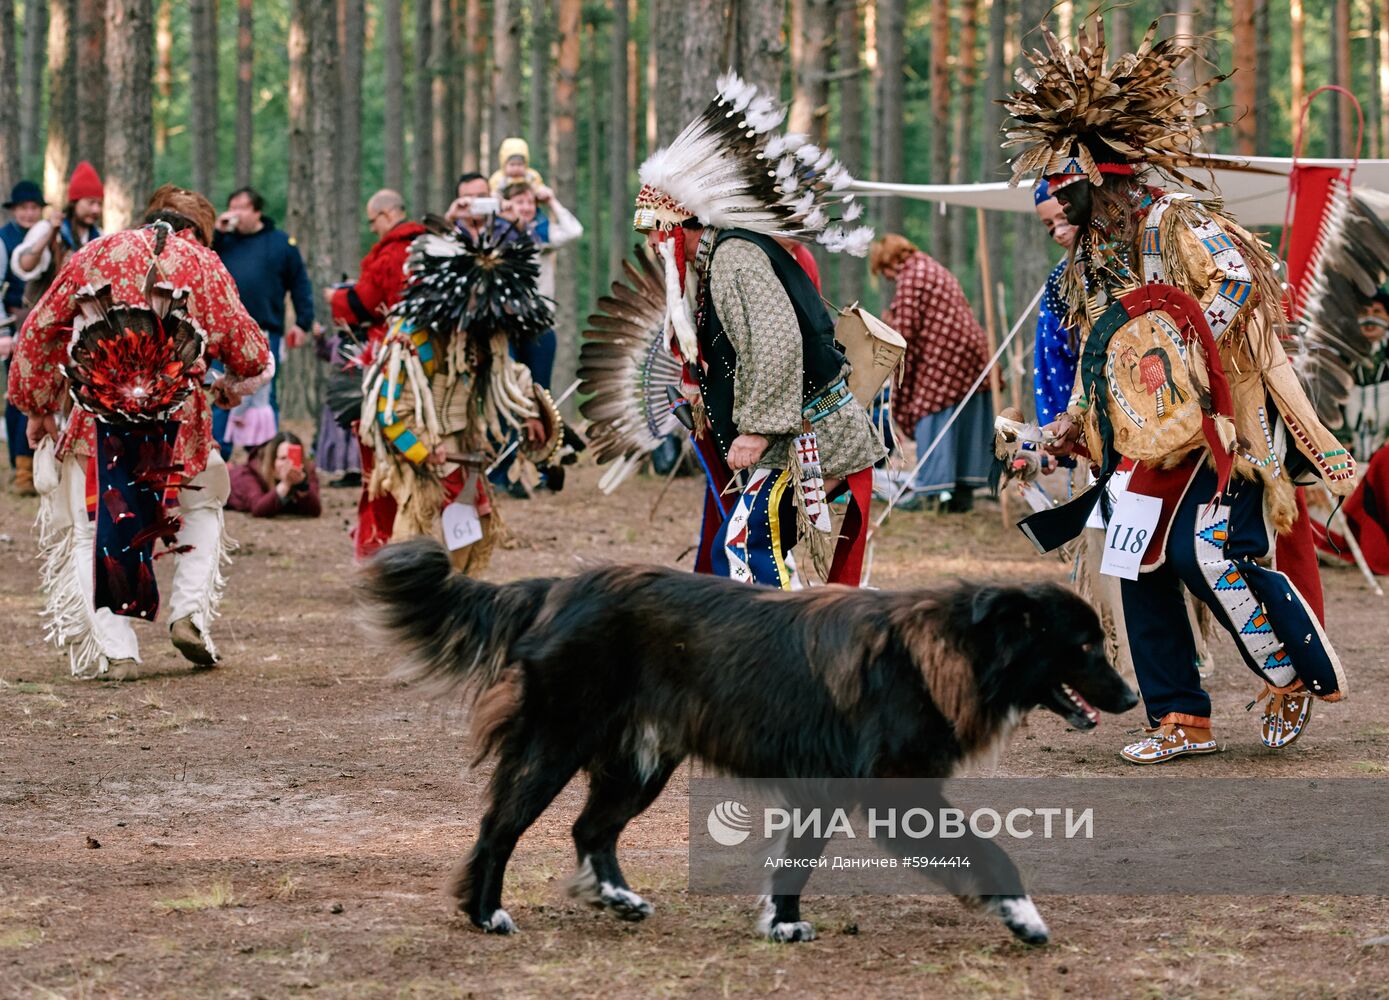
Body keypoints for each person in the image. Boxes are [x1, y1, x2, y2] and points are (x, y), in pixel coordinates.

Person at [1007, 20, 1353, 762]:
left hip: (1218, 422)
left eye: (1059, 218)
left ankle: (1286, 670)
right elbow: (1097, 355)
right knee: (1137, 561)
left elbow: (1236, 284)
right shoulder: (1089, 267)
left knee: (1206, 551)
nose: (1056, 234)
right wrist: (1070, 421)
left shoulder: (1177, 222)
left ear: (1098, 189)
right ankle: (1179, 719)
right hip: (1139, 436)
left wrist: (1188, 361)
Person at [8, 184, 272, 680]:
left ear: (152, 217)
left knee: (96, 521)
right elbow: (253, 354)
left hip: (100, 414)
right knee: (200, 505)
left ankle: (116, 650)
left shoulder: (99, 250)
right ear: (200, 232)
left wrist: (36, 404)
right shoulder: (205, 265)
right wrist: (232, 385)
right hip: (179, 417)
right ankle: (189, 614)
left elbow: (39, 328)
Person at [633, 72, 881, 588]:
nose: (657, 246)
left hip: (811, 434)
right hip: (802, 432)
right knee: (753, 541)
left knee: (750, 541)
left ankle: (778, 653)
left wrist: (755, 429)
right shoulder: (727, 256)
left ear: (682, 227)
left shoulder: (734, 259)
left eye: (659, 233)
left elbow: (777, 342)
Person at [358, 216, 563, 576]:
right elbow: (388, 413)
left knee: (475, 522)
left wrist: (529, 411)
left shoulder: (484, 335)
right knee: (415, 528)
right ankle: (407, 600)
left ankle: (460, 595)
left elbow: (507, 374)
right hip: (418, 440)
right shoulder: (413, 338)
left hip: (458, 441)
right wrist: (422, 450)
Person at [326, 189, 426, 558]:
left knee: (380, 452)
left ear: (386, 214)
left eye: (373, 221)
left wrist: (335, 299)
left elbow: (364, 302)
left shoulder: (391, 252)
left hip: (390, 363)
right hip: (425, 366)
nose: (373, 229)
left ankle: (378, 542)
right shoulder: (426, 248)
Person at [871, 233, 992, 513]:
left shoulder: (913, 273)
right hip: (969, 348)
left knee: (931, 412)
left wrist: (887, 343)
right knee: (963, 419)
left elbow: (906, 329)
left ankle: (930, 488)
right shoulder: (930, 266)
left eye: (886, 272)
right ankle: (962, 490)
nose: (889, 278)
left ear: (891, 260)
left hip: (945, 354)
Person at [211, 186, 315, 446]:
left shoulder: (280, 243)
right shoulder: (221, 243)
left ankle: (263, 457)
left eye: (242, 207)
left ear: (256, 211)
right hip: (222, 331)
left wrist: (303, 322)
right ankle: (215, 454)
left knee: (264, 395)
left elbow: (300, 283)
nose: (235, 213)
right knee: (217, 389)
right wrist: (216, 232)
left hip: (264, 332)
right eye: (232, 206)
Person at [1, 180, 45, 495]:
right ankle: (21, 469)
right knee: (16, 396)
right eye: (24, 208)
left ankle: (39, 463)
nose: (29, 213)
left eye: (33, 208)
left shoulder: (49, 236)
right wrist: (3, 332)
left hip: (43, 325)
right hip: (13, 323)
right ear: (15, 210)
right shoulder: (3, 240)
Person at [10, 162, 103, 308]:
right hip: (41, 316)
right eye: (91, 203)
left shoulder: (99, 237)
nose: (96, 209)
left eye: (99, 204)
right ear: (75, 202)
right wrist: (51, 232)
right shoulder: (46, 228)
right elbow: (25, 265)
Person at [228, 431, 322, 518]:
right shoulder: (251, 473)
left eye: (292, 458)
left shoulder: (306, 470)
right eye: (283, 458)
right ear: (272, 460)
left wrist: (302, 485)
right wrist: (286, 484)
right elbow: (258, 509)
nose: (288, 464)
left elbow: (315, 511)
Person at [444, 172, 496, 239]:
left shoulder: (504, 228)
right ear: (458, 200)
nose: (475, 202)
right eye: (468, 197)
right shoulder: (450, 225)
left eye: (481, 196)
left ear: (490, 197)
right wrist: (449, 218)